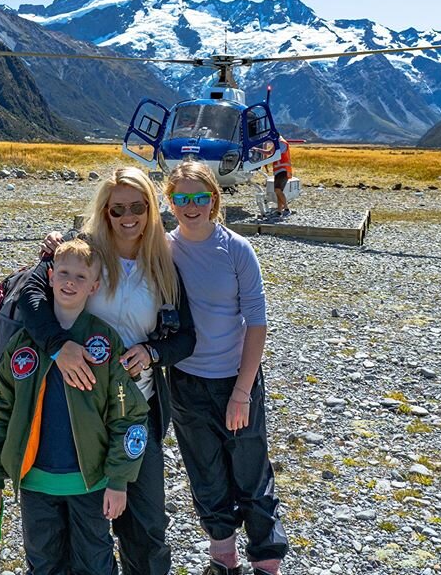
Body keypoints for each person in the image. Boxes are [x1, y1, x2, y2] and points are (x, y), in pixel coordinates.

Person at [18, 167, 196, 575]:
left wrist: (153, 353)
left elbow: (187, 337)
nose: (128, 217)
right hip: (75, 412)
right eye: (117, 209)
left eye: (138, 207)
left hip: (136, 410)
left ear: (151, 209)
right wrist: (58, 345)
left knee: (146, 524)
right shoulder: (83, 252)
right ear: (105, 210)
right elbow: (31, 293)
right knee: (71, 529)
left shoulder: (163, 264)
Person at [0, 240, 149, 575]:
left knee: (96, 563)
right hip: (34, 483)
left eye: (81, 277)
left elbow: (127, 415)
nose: (70, 282)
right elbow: (2, 413)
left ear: (94, 287)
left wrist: (118, 480)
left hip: (92, 483)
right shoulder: (24, 343)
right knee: (44, 564)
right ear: (51, 276)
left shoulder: (104, 341)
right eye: (64, 273)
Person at [165, 161, 289, 575]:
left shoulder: (237, 249)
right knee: (206, 474)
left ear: (215, 200)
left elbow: (257, 322)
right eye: (181, 198)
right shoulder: (163, 250)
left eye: (200, 197)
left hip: (238, 380)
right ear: (170, 202)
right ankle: (223, 559)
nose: (191, 206)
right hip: (185, 381)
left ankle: (267, 562)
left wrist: (242, 391)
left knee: (251, 475)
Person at [272, 137, 292, 217]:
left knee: (277, 190)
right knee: (278, 192)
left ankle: (286, 209)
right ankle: (279, 211)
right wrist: (257, 149)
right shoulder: (276, 144)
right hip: (278, 171)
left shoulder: (282, 143)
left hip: (284, 170)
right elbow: (270, 152)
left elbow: (276, 155)